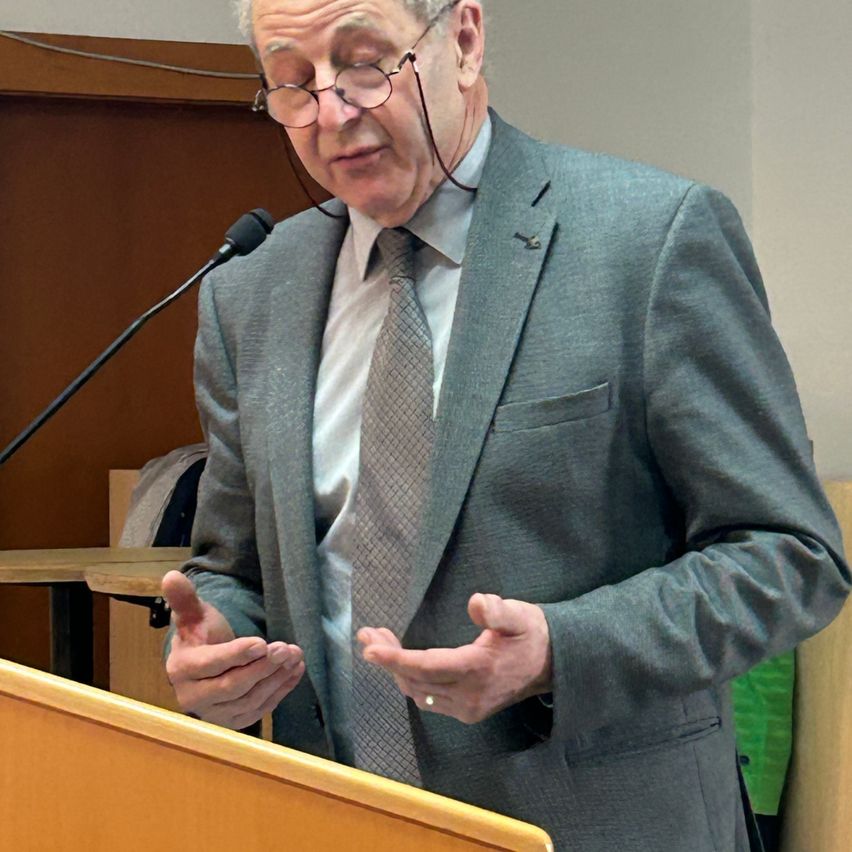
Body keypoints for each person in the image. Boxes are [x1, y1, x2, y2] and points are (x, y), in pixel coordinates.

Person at [161, 0, 850, 848]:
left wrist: (563, 648)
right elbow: (236, 565)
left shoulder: (648, 239)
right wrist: (224, 643)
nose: (333, 111)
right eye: (294, 81)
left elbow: (791, 556)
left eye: (367, 61)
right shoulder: (250, 292)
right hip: (337, 820)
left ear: (463, 39)